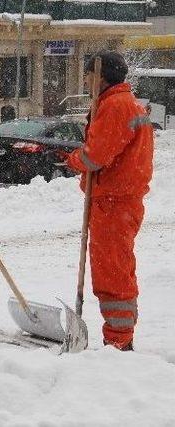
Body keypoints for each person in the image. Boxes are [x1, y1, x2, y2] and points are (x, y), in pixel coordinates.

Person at [64, 51, 154, 352]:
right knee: (118, 268)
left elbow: (96, 155)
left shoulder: (115, 106)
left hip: (114, 202)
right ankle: (119, 337)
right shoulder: (127, 104)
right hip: (120, 199)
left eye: (88, 76)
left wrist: (74, 159)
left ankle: (118, 342)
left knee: (112, 272)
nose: (86, 81)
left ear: (100, 76)